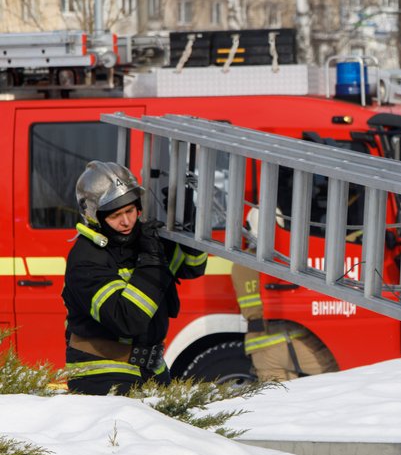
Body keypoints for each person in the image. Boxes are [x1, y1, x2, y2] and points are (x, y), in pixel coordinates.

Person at [63, 161, 207, 395]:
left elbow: (193, 267)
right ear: (94, 216)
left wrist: (189, 225)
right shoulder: (86, 259)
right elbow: (127, 320)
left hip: (151, 367)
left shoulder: (144, 239)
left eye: (130, 211)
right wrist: (152, 261)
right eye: (116, 215)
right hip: (102, 371)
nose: (126, 222)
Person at [229, 208, 339, 381]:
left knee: (278, 396)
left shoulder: (238, 265)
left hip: (260, 345)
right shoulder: (284, 259)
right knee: (338, 377)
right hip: (295, 339)